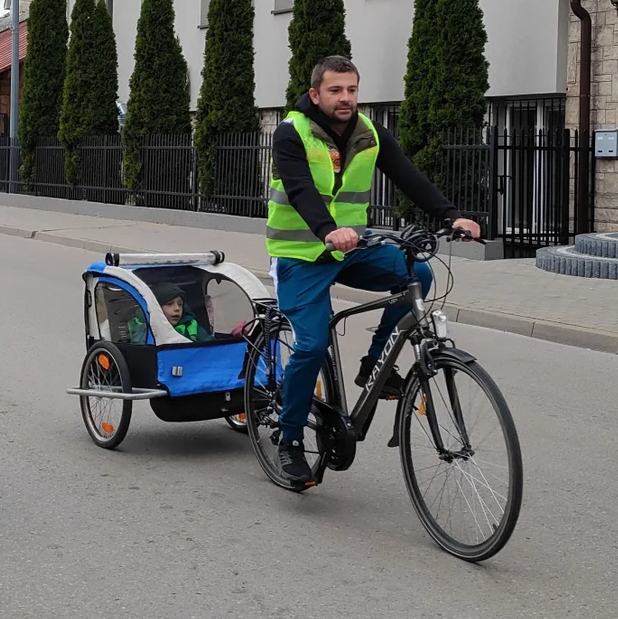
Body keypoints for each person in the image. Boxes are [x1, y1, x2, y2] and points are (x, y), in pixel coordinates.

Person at [267, 56, 481, 484]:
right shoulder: (292, 133)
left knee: (417, 275)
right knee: (310, 345)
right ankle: (289, 439)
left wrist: (451, 215)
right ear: (315, 94)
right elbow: (301, 190)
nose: (345, 98)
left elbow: (408, 176)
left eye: (351, 90)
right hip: (300, 254)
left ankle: (374, 367)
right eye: (335, 90)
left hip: (352, 249)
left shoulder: (369, 133)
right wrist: (329, 230)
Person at [127, 282, 214, 344]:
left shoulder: (191, 325)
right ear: (156, 307)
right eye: (169, 304)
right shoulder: (142, 327)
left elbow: (212, 347)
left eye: (180, 304)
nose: (177, 308)